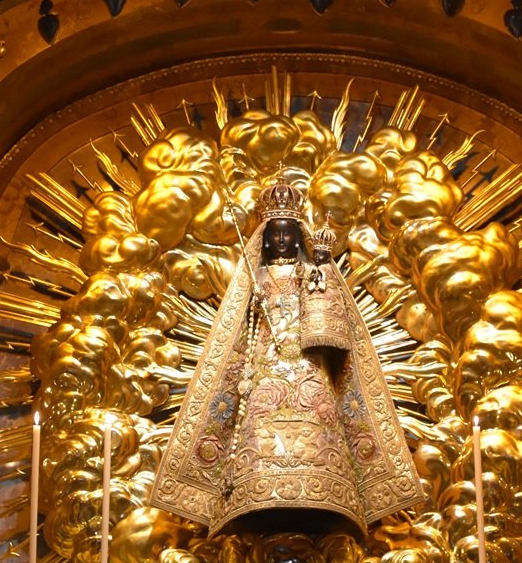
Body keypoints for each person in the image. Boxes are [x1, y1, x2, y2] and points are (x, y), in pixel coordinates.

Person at [150, 174, 423, 537]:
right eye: (274, 233)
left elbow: (332, 326)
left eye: (288, 233)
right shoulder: (256, 276)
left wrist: (323, 270)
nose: (281, 240)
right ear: (265, 238)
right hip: (265, 364)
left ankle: (326, 487)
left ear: (299, 237)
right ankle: (253, 487)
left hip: (308, 364)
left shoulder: (312, 272)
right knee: (260, 421)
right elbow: (239, 331)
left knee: (320, 414)